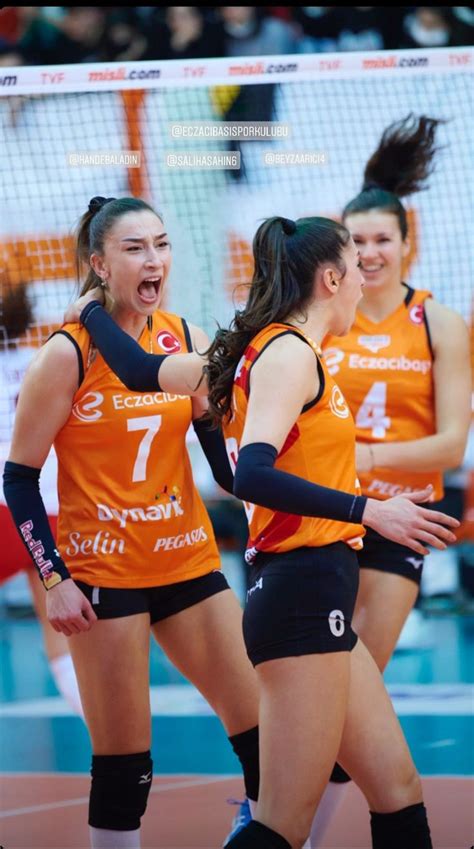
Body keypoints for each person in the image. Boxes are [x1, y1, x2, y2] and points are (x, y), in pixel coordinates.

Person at [3, 196, 260, 849]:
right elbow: (19, 476)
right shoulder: (66, 355)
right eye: (135, 247)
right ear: (99, 263)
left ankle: (266, 833)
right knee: (125, 768)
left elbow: (223, 467)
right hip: (104, 578)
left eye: (162, 244)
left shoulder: (187, 336)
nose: (155, 260)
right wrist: (53, 576)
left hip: (190, 562)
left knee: (267, 733)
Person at [203, 214, 460, 848]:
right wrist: (370, 510)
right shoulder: (289, 352)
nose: (363, 282)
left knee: (398, 786)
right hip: (299, 595)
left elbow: (237, 474)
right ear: (329, 277)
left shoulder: (288, 350)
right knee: (281, 826)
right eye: (354, 269)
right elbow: (255, 473)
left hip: (320, 594)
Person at [307, 116, 471, 846]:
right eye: (358, 239)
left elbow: (452, 441)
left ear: (408, 242)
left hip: (402, 514)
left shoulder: (438, 321)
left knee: (356, 674)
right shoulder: (324, 319)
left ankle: (287, 812)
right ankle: (287, 808)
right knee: (318, 681)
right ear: (342, 245)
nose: (370, 252)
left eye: (382, 239)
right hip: (330, 517)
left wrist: (368, 461)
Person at [0, 282, 83, 716]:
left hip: (4, 504)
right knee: (62, 636)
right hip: (48, 507)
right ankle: (104, 737)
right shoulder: (43, 361)